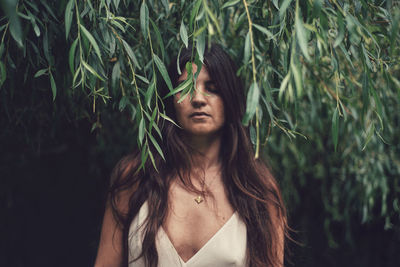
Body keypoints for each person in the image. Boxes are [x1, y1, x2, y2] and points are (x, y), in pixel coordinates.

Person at [95, 44, 288, 267]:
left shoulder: (258, 191)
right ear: (170, 100)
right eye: (185, 88)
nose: (198, 98)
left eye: (212, 88)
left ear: (230, 99)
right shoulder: (135, 178)